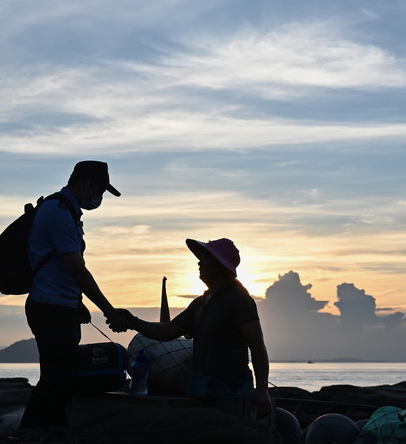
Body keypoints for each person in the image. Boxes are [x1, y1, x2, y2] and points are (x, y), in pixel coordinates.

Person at [110, 238, 274, 424]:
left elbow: (257, 346)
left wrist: (262, 390)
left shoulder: (239, 299)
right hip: (200, 390)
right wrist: (133, 321)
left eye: (205, 259)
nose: (199, 263)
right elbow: (168, 331)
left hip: (232, 393)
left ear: (220, 266)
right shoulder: (200, 303)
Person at [20, 160, 130, 429]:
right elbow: (77, 269)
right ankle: (31, 438)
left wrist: (78, 301)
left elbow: (62, 267)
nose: (99, 198)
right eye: (100, 191)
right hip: (51, 308)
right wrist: (109, 310)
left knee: (62, 377)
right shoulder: (58, 212)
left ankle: (48, 436)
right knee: (56, 379)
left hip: (61, 305)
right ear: (84, 184)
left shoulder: (67, 211)